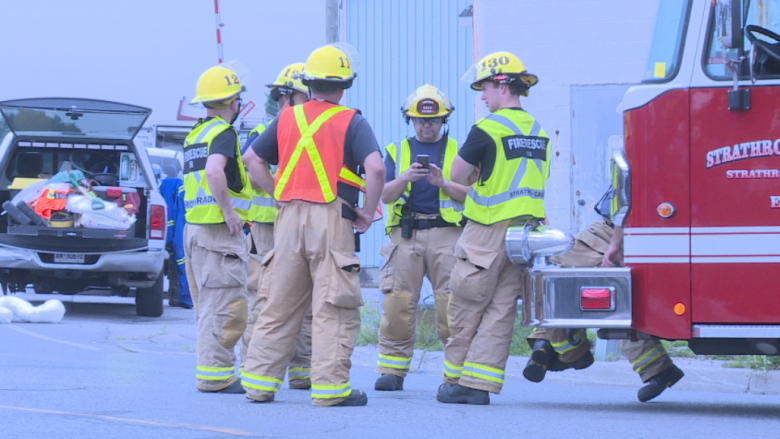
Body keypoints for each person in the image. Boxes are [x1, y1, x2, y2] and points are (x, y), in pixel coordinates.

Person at [241, 43, 385, 407]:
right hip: (331, 218)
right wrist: (367, 211)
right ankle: (330, 389)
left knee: (279, 302)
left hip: (288, 219)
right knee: (333, 304)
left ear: (309, 82)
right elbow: (376, 168)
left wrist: (278, 193)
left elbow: (251, 159)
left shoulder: (286, 117)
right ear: (345, 84)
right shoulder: (352, 120)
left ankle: (258, 383)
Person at [436, 51, 549, 405]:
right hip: (525, 233)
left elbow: (456, 175)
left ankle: (455, 380)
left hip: (487, 230)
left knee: (467, 301)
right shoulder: (537, 129)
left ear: (502, 85)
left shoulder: (487, 128)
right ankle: (479, 383)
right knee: (501, 309)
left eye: (484, 87)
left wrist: (478, 174)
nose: (482, 96)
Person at [523, 187, 685, 402]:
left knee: (558, 268)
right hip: (626, 226)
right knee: (615, 300)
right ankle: (657, 370)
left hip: (625, 229)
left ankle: (568, 351)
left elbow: (627, 204)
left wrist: (615, 243)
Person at [374, 85, 469, 391]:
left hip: (448, 234)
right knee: (397, 305)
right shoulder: (395, 151)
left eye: (434, 120)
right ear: (410, 121)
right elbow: (384, 196)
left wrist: (443, 183)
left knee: (452, 306)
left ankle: (456, 375)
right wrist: (404, 177)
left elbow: (475, 197)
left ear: (444, 120)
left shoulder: (461, 151)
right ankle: (392, 371)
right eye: (420, 120)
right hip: (406, 235)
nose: (427, 126)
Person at [239, 63, 313, 390]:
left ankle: (302, 371)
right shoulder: (266, 133)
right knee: (266, 296)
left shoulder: (310, 129)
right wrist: (277, 193)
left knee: (307, 296)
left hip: (300, 223)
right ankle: (251, 367)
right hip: (269, 227)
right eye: (299, 95)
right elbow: (250, 165)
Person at [183, 64, 253, 394]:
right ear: (232, 102)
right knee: (226, 305)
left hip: (195, 230)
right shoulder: (223, 133)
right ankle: (216, 375)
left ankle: (211, 371)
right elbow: (215, 172)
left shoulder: (195, 134)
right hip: (217, 234)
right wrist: (230, 214)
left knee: (208, 305)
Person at [160, 177, 193, 309]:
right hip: (182, 234)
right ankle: (183, 294)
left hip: (178, 236)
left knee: (181, 258)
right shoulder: (181, 190)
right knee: (182, 259)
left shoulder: (172, 190)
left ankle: (183, 294)